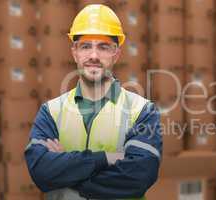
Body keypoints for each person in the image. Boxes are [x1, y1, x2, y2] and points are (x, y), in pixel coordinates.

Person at [24, 4, 162, 200]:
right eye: (86, 46)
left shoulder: (143, 111)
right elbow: (41, 172)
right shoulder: (51, 112)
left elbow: (138, 177)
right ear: (74, 52)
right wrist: (106, 158)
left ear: (117, 54)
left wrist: (66, 173)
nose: (94, 56)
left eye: (103, 47)